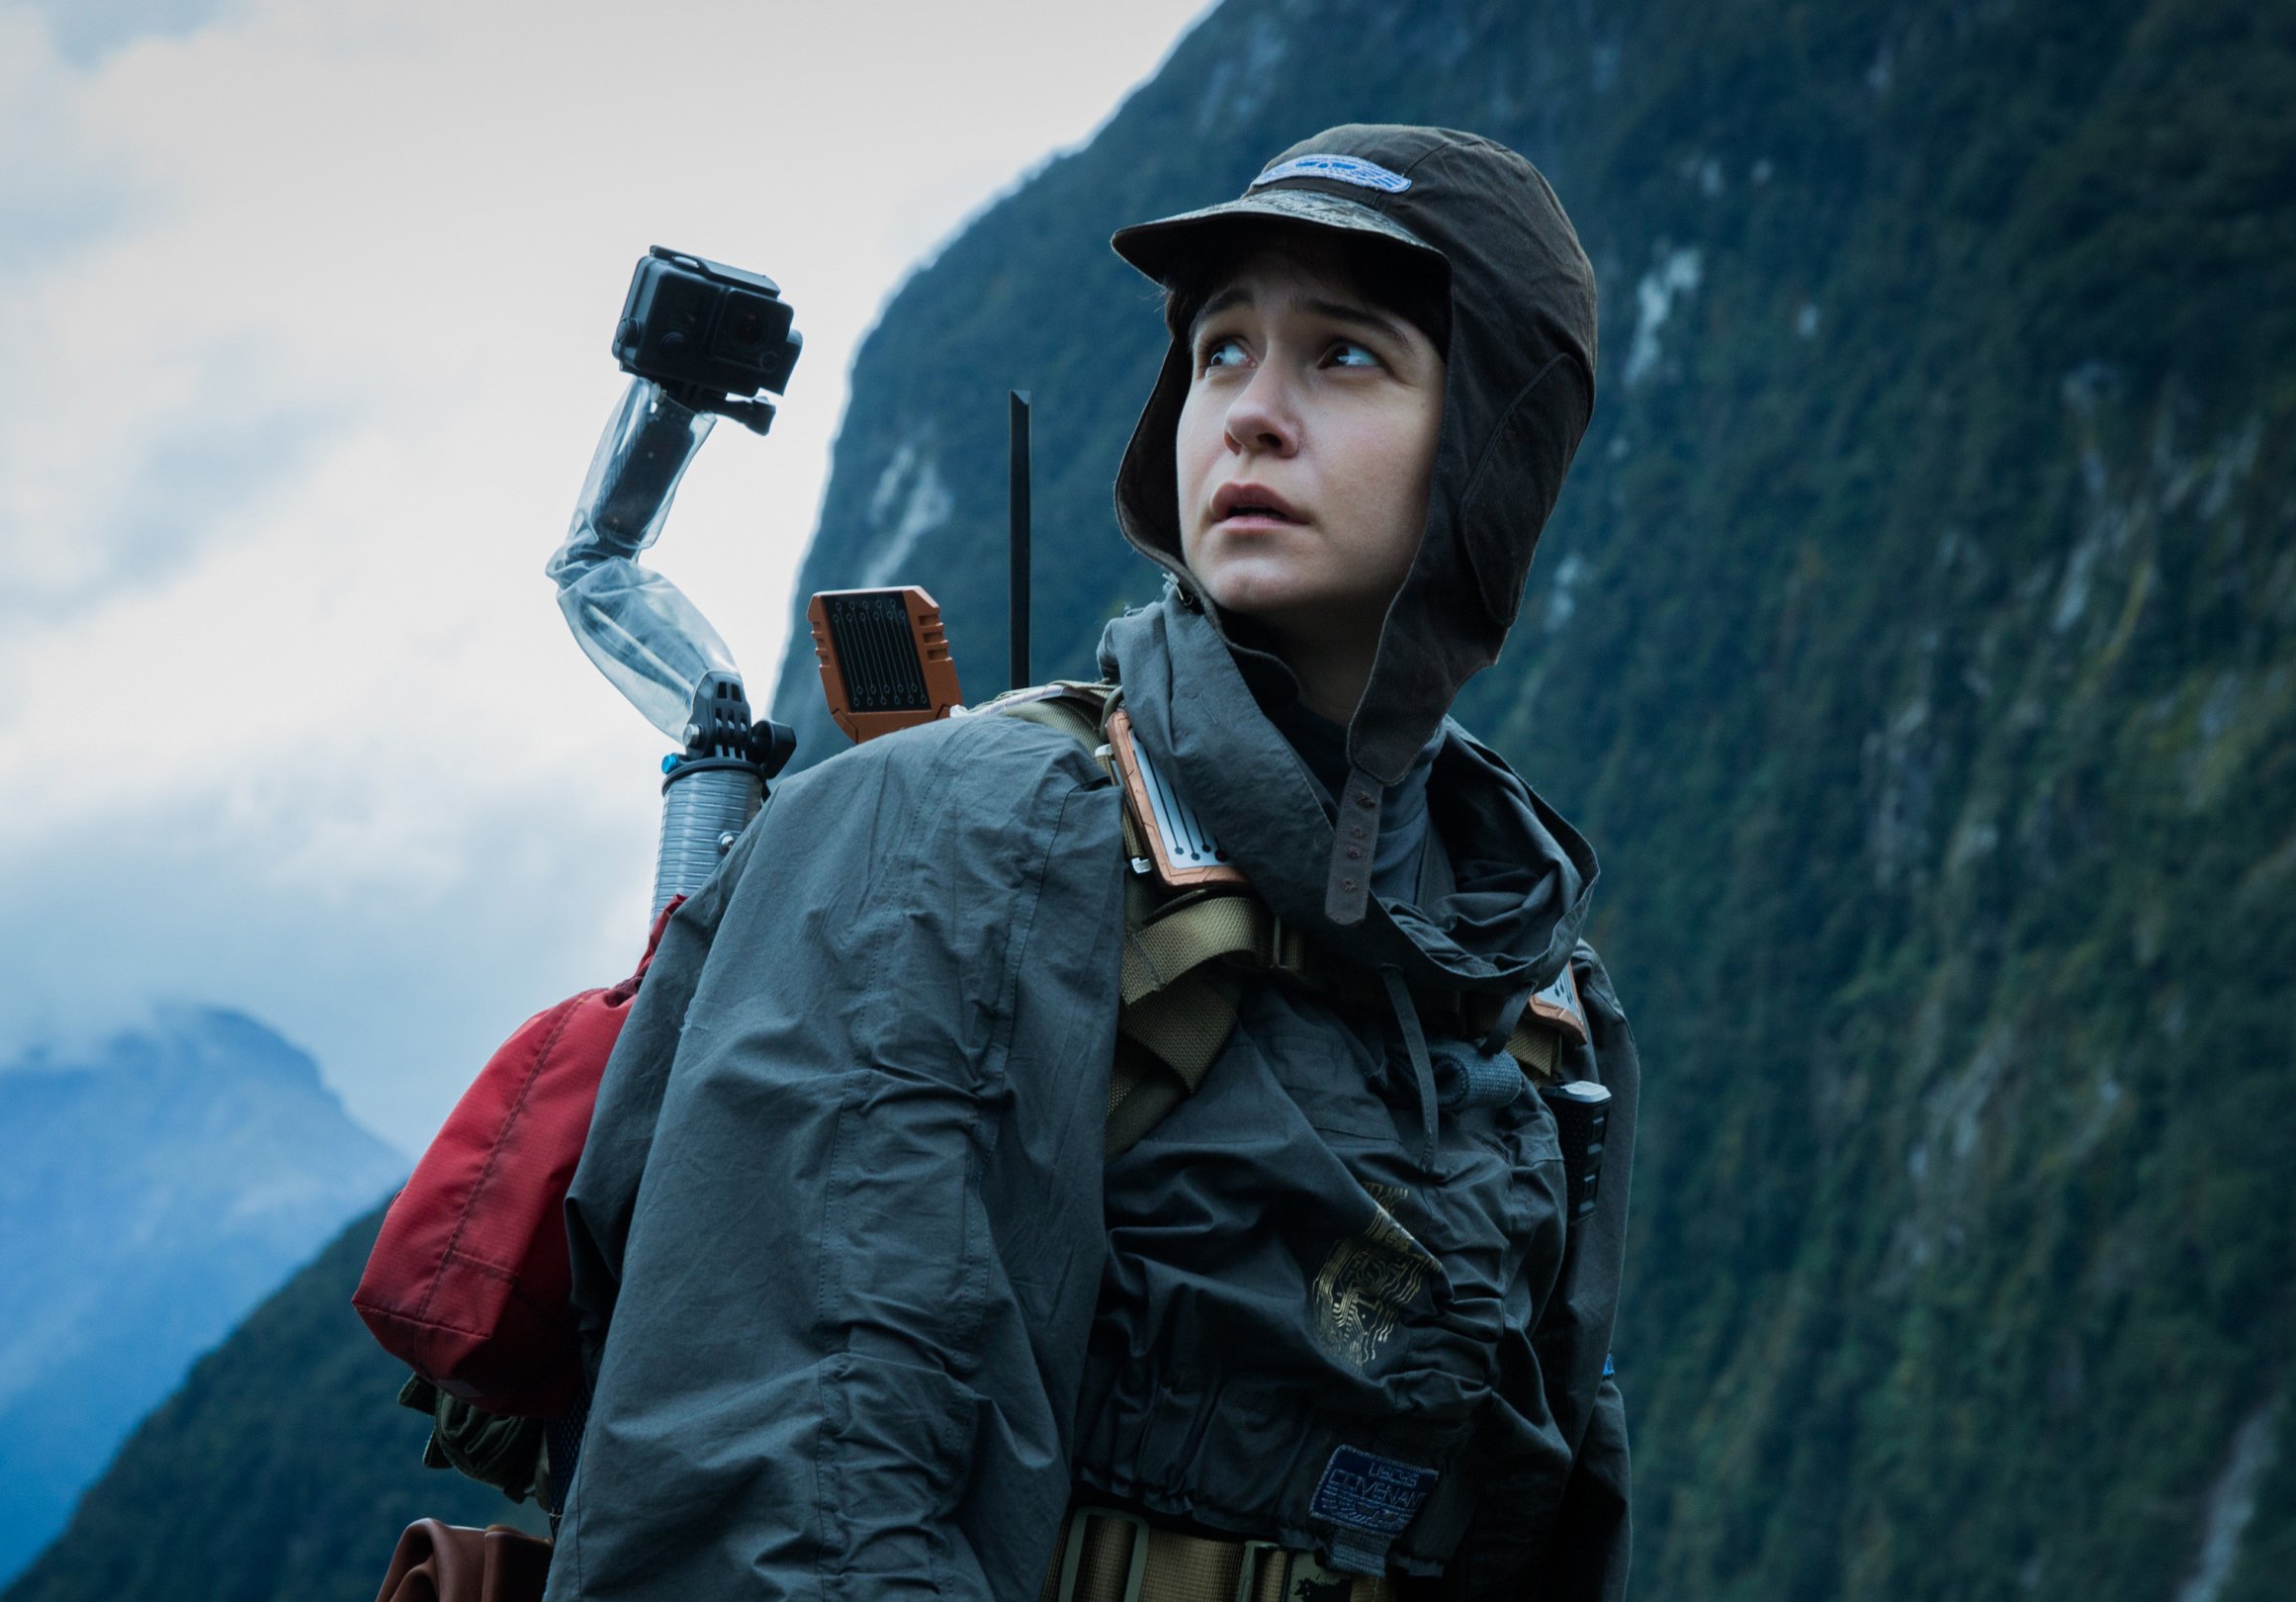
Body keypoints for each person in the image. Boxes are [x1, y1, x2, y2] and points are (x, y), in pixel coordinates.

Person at [548, 124, 1633, 1601]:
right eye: (1222, 350)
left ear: (1500, 446)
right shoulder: (958, 835)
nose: (1249, 415)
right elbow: (799, 1512)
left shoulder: (1545, 1001)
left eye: (1345, 357)